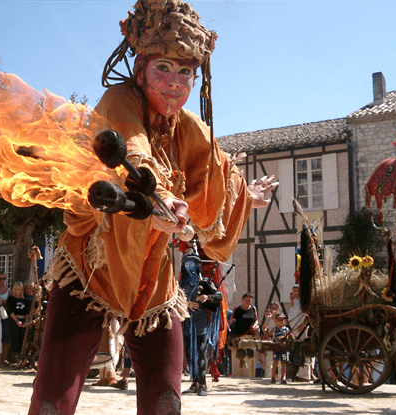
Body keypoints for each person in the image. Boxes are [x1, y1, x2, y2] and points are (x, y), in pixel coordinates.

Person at [28, 1, 277, 413]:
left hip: (153, 277)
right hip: (91, 266)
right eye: (164, 68)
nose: (176, 84)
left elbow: (214, 181)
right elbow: (134, 156)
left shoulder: (192, 129)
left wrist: (242, 197)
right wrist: (162, 200)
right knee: (54, 400)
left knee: (166, 401)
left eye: (187, 73)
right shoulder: (119, 101)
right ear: (141, 69)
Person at [179, 242, 223, 396]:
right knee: (190, 353)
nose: (190, 266)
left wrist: (207, 297)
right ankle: (194, 382)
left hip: (201, 322)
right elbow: (172, 300)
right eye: (187, 263)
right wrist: (186, 304)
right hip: (186, 323)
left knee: (201, 351)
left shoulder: (204, 282)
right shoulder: (180, 285)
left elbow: (219, 296)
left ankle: (203, 383)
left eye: (193, 263)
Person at [288, 284, 311, 382]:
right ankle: (298, 374)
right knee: (297, 352)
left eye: (297, 291)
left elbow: (308, 315)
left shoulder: (304, 302)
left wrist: (304, 324)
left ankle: (305, 376)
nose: (295, 293)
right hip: (295, 331)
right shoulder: (295, 304)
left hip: (302, 330)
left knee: (304, 351)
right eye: (294, 291)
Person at [7, 281, 29, 363]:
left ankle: (22, 359)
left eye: (21, 289)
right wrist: (17, 321)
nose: (19, 291)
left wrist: (26, 321)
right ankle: (14, 359)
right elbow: (11, 311)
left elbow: (27, 312)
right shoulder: (11, 299)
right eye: (18, 289)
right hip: (14, 321)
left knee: (23, 340)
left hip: (23, 321)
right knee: (15, 340)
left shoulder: (25, 299)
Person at [270, 313, 292, 384]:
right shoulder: (275, 329)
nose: (280, 321)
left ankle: (283, 377)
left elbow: (291, 337)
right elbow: (269, 335)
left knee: (283, 363)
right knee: (275, 362)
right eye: (279, 320)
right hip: (276, 348)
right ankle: (273, 377)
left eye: (282, 320)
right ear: (276, 321)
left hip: (284, 349)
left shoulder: (286, 330)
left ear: (284, 321)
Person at [0, 272, 11, 363]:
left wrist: (1, 302)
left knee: (5, 338)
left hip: (5, 316)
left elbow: (9, 302)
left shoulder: (8, 290)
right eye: (0, 279)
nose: (1, 281)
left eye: (3, 278)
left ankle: (4, 358)